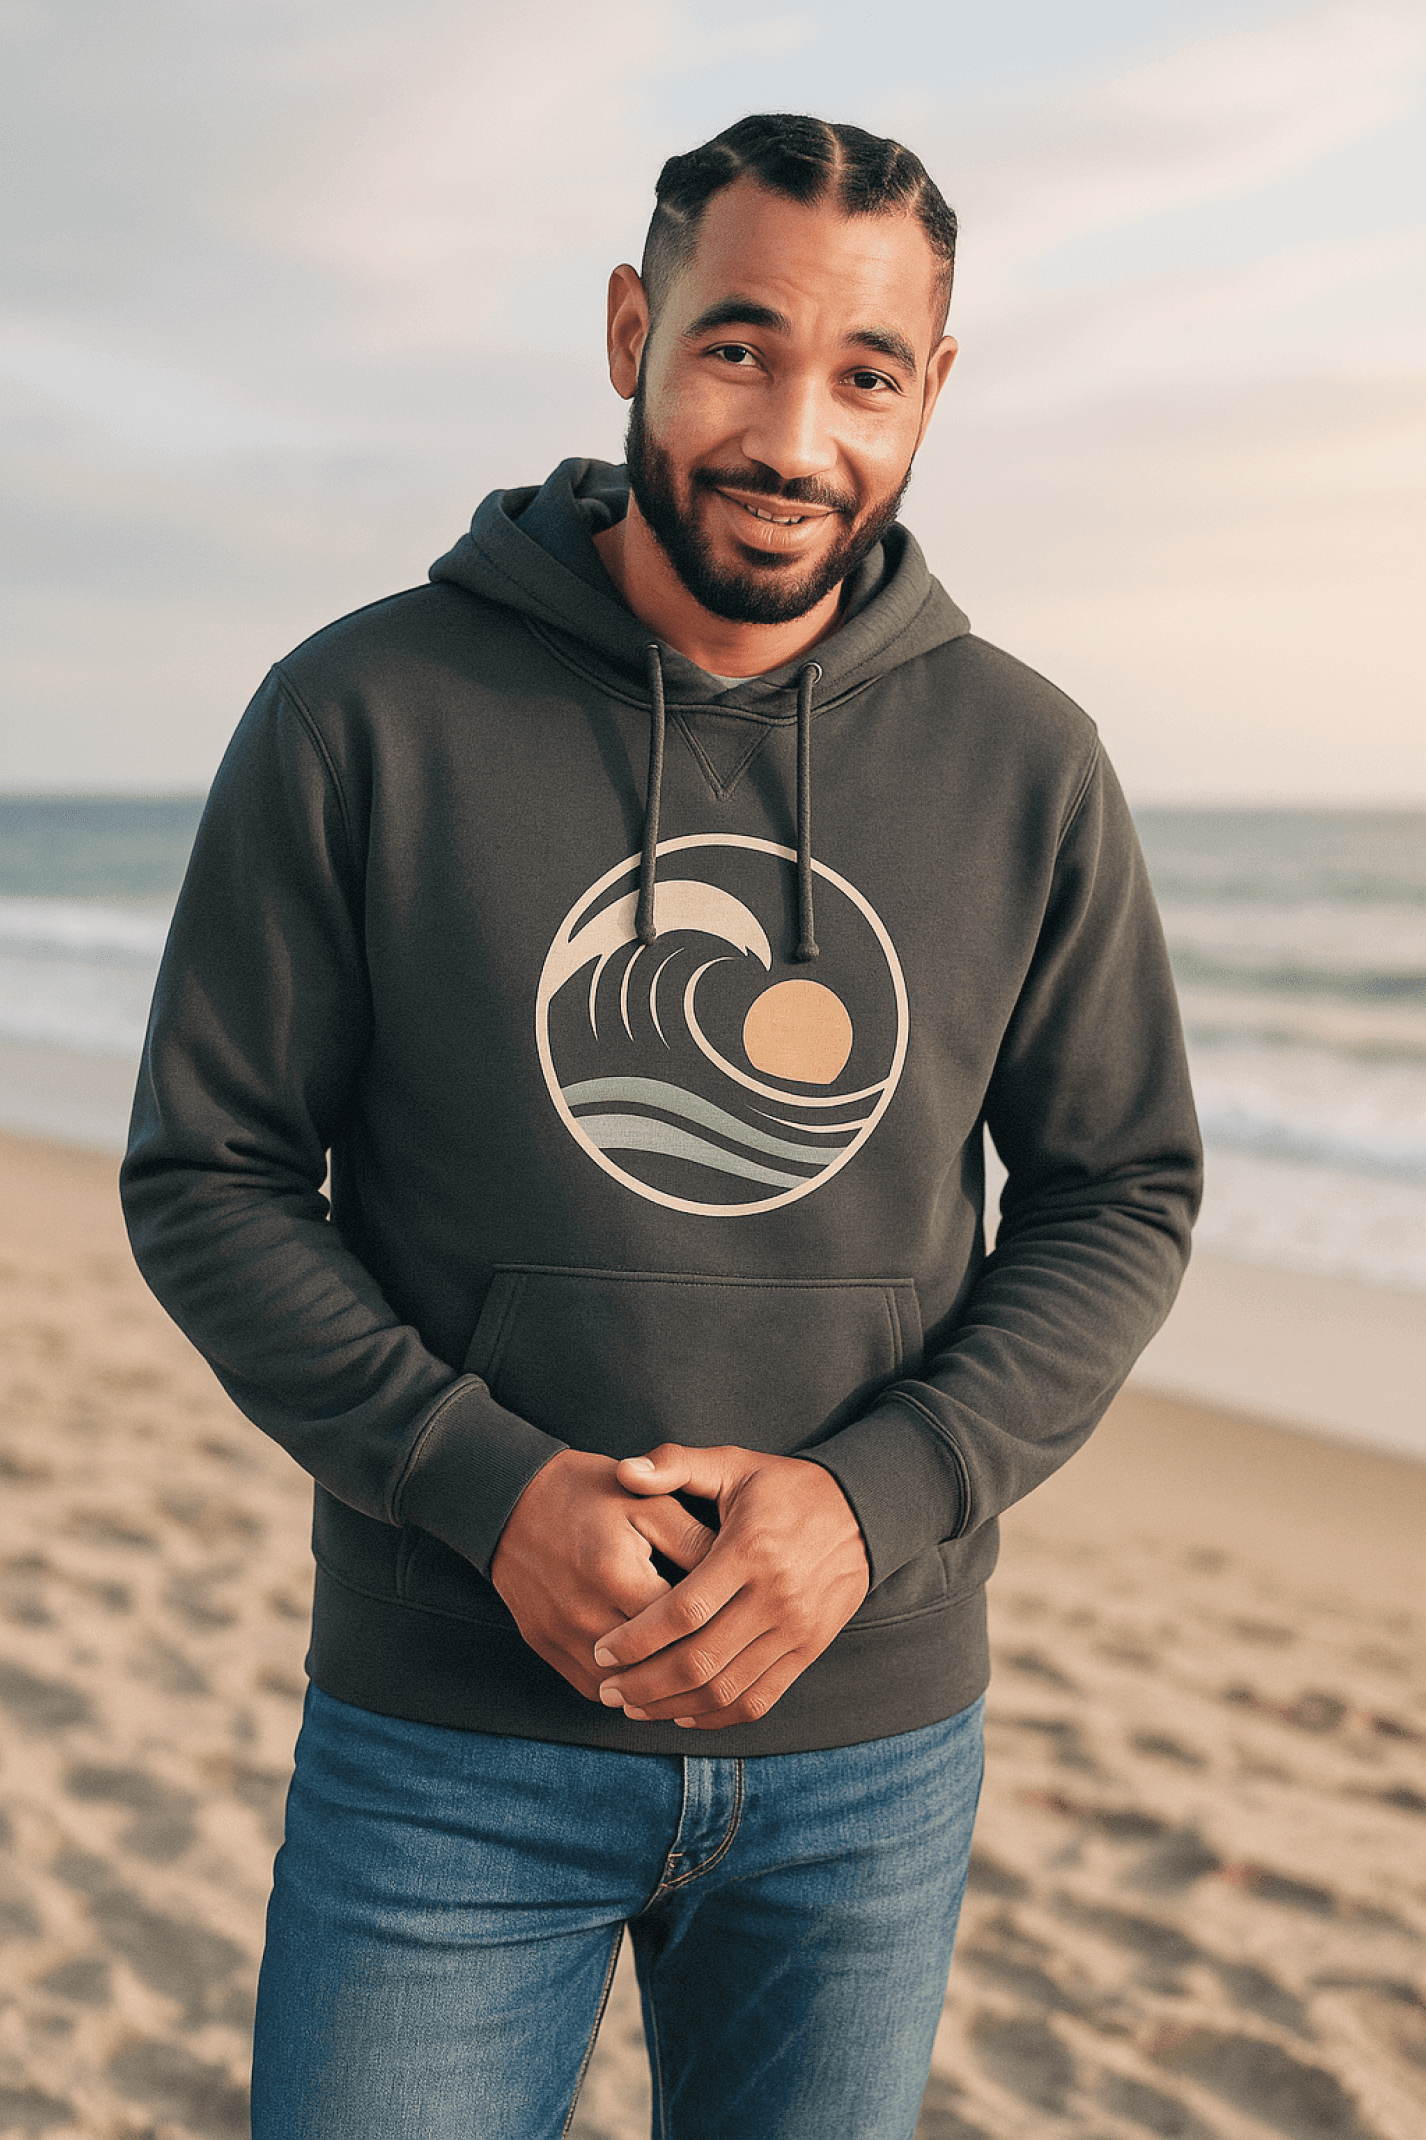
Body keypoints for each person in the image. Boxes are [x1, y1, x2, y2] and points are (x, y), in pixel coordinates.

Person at [121, 112, 1201, 2140]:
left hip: (862, 1752)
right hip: (445, 1737)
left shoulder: (1022, 761)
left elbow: (1118, 1187)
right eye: (736, 348)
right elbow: (212, 1172)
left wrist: (869, 1503)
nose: (792, 433)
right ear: (631, 328)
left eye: (864, 374)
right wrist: (481, 1483)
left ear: (930, 394)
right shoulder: (361, 714)